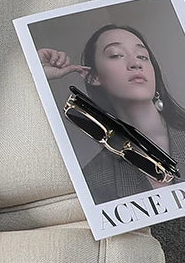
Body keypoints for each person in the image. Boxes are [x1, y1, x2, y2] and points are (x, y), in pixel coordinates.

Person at [38, 24, 185, 203]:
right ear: (93, 77)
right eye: (116, 55)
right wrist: (37, 73)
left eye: (142, 56)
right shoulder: (95, 179)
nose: (136, 63)